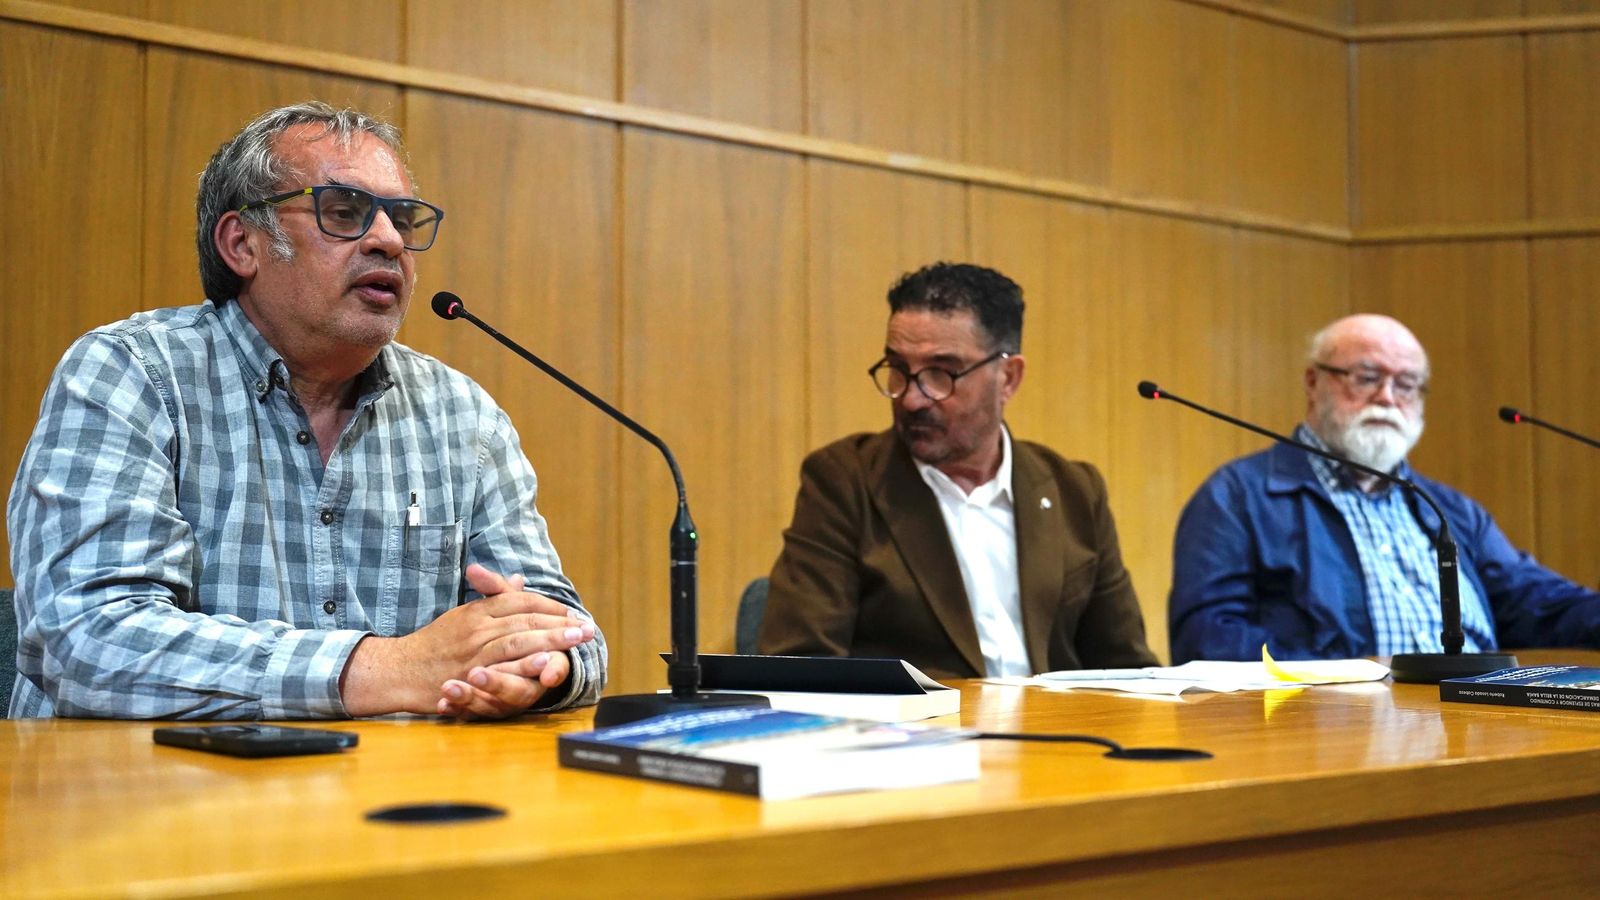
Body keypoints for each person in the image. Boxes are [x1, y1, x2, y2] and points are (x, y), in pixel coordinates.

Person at [7, 102, 606, 719]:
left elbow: (568, 627)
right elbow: (87, 639)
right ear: (243, 243)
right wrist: (384, 669)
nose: (391, 241)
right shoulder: (132, 374)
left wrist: (540, 667)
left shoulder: (463, 417)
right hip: (142, 798)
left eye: (402, 218)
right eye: (344, 212)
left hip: (382, 793)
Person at [758, 262, 1156, 680]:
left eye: (941, 373)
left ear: (1008, 377)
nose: (912, 399)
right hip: (921, 739)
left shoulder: (1074, 491)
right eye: (898, 369)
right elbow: (800, 667)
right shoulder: (844, 482)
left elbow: (1128, 672)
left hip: (1063, 739)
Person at [1168, 313, 1600, 663]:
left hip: (1479, 721)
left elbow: (1537, 602)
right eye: (1366, 377)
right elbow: (1207, 639)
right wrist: (1350, 683)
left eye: (1406, 384)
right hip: (1333, 734)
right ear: (1313, 382)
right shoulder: (1239, 497)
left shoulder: (1449, 510)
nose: (1388, 398)